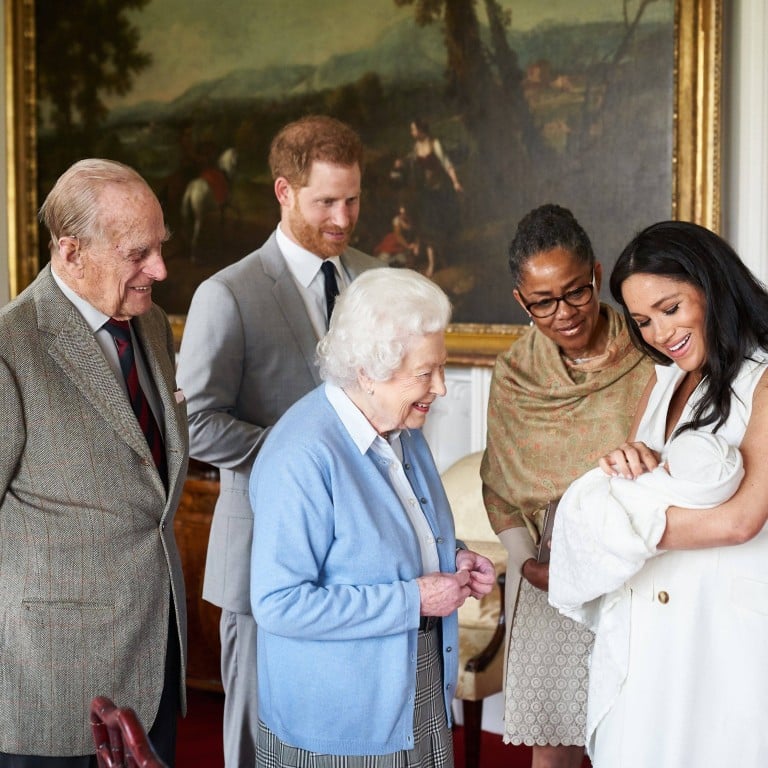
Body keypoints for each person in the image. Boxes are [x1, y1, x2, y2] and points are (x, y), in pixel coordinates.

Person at [175, 114, 383, 767]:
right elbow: (196, 422)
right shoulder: (226, 294)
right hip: (264, 557)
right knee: (255, 742)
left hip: (360, 565)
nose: (344, 218)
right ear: (283, 192)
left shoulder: (375, 280)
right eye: (326, 201)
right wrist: (309, 461)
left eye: (353, 199)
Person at [249, 268, 495, 765]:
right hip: (340, 722)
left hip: (415, 687)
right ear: (367, 372)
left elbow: (391, 541)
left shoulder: (402, 428)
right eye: (426, 373)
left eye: (441, 368)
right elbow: (279, 603)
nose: (441, 388)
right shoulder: (302, 455)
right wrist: (415, 599)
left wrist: (456, 558)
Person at [0, 158, 189, 766]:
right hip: (51, 683)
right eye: (138, 253)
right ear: (71, 250)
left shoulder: (152, 324)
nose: (158, 269)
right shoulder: (11, 347)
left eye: (159, 247)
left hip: (155, 658)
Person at [564, 220, 768, 767]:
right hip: (646, 623)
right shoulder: (662, 381)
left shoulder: (765, 381)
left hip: (720, 632)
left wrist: (610, 526)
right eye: (643, 320)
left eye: (670, 308)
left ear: (712, 284)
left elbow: (742, 520)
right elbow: (632, 482)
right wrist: (623, 464)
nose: (658, 333)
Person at [480, 204, 653, 768]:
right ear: (521, 302)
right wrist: (526, 561)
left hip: (641, 562)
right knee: (557, 748)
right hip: (551, 570)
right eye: (543, 302)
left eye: (576, 292)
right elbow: (502, 488)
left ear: (598, 275)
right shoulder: (515, 375)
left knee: (637, 735)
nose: (565, 313)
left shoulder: (650, 352)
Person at [549, 430, 743, 623]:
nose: (663, 466)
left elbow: (627, 542)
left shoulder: (664, 505)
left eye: (668, 466)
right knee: (584, 504)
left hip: (612, 521)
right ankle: (564, 553)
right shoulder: (686, 482)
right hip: (609, 499)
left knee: (591, 519)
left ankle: (566, 575)